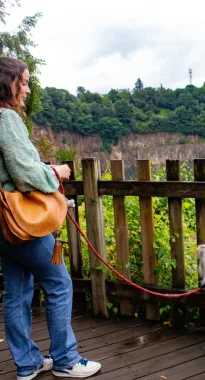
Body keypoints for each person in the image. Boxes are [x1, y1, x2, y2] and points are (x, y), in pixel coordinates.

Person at [0, 57, 101, 379]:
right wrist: (54, 172)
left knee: (16, 290)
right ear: (6, 83)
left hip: (2, 223)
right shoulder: (5, 118)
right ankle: (66, 360)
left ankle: (28, 363)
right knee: (58, 284)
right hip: (21, 221)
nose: (28, 90)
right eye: (24, 82)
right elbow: (24, 172)